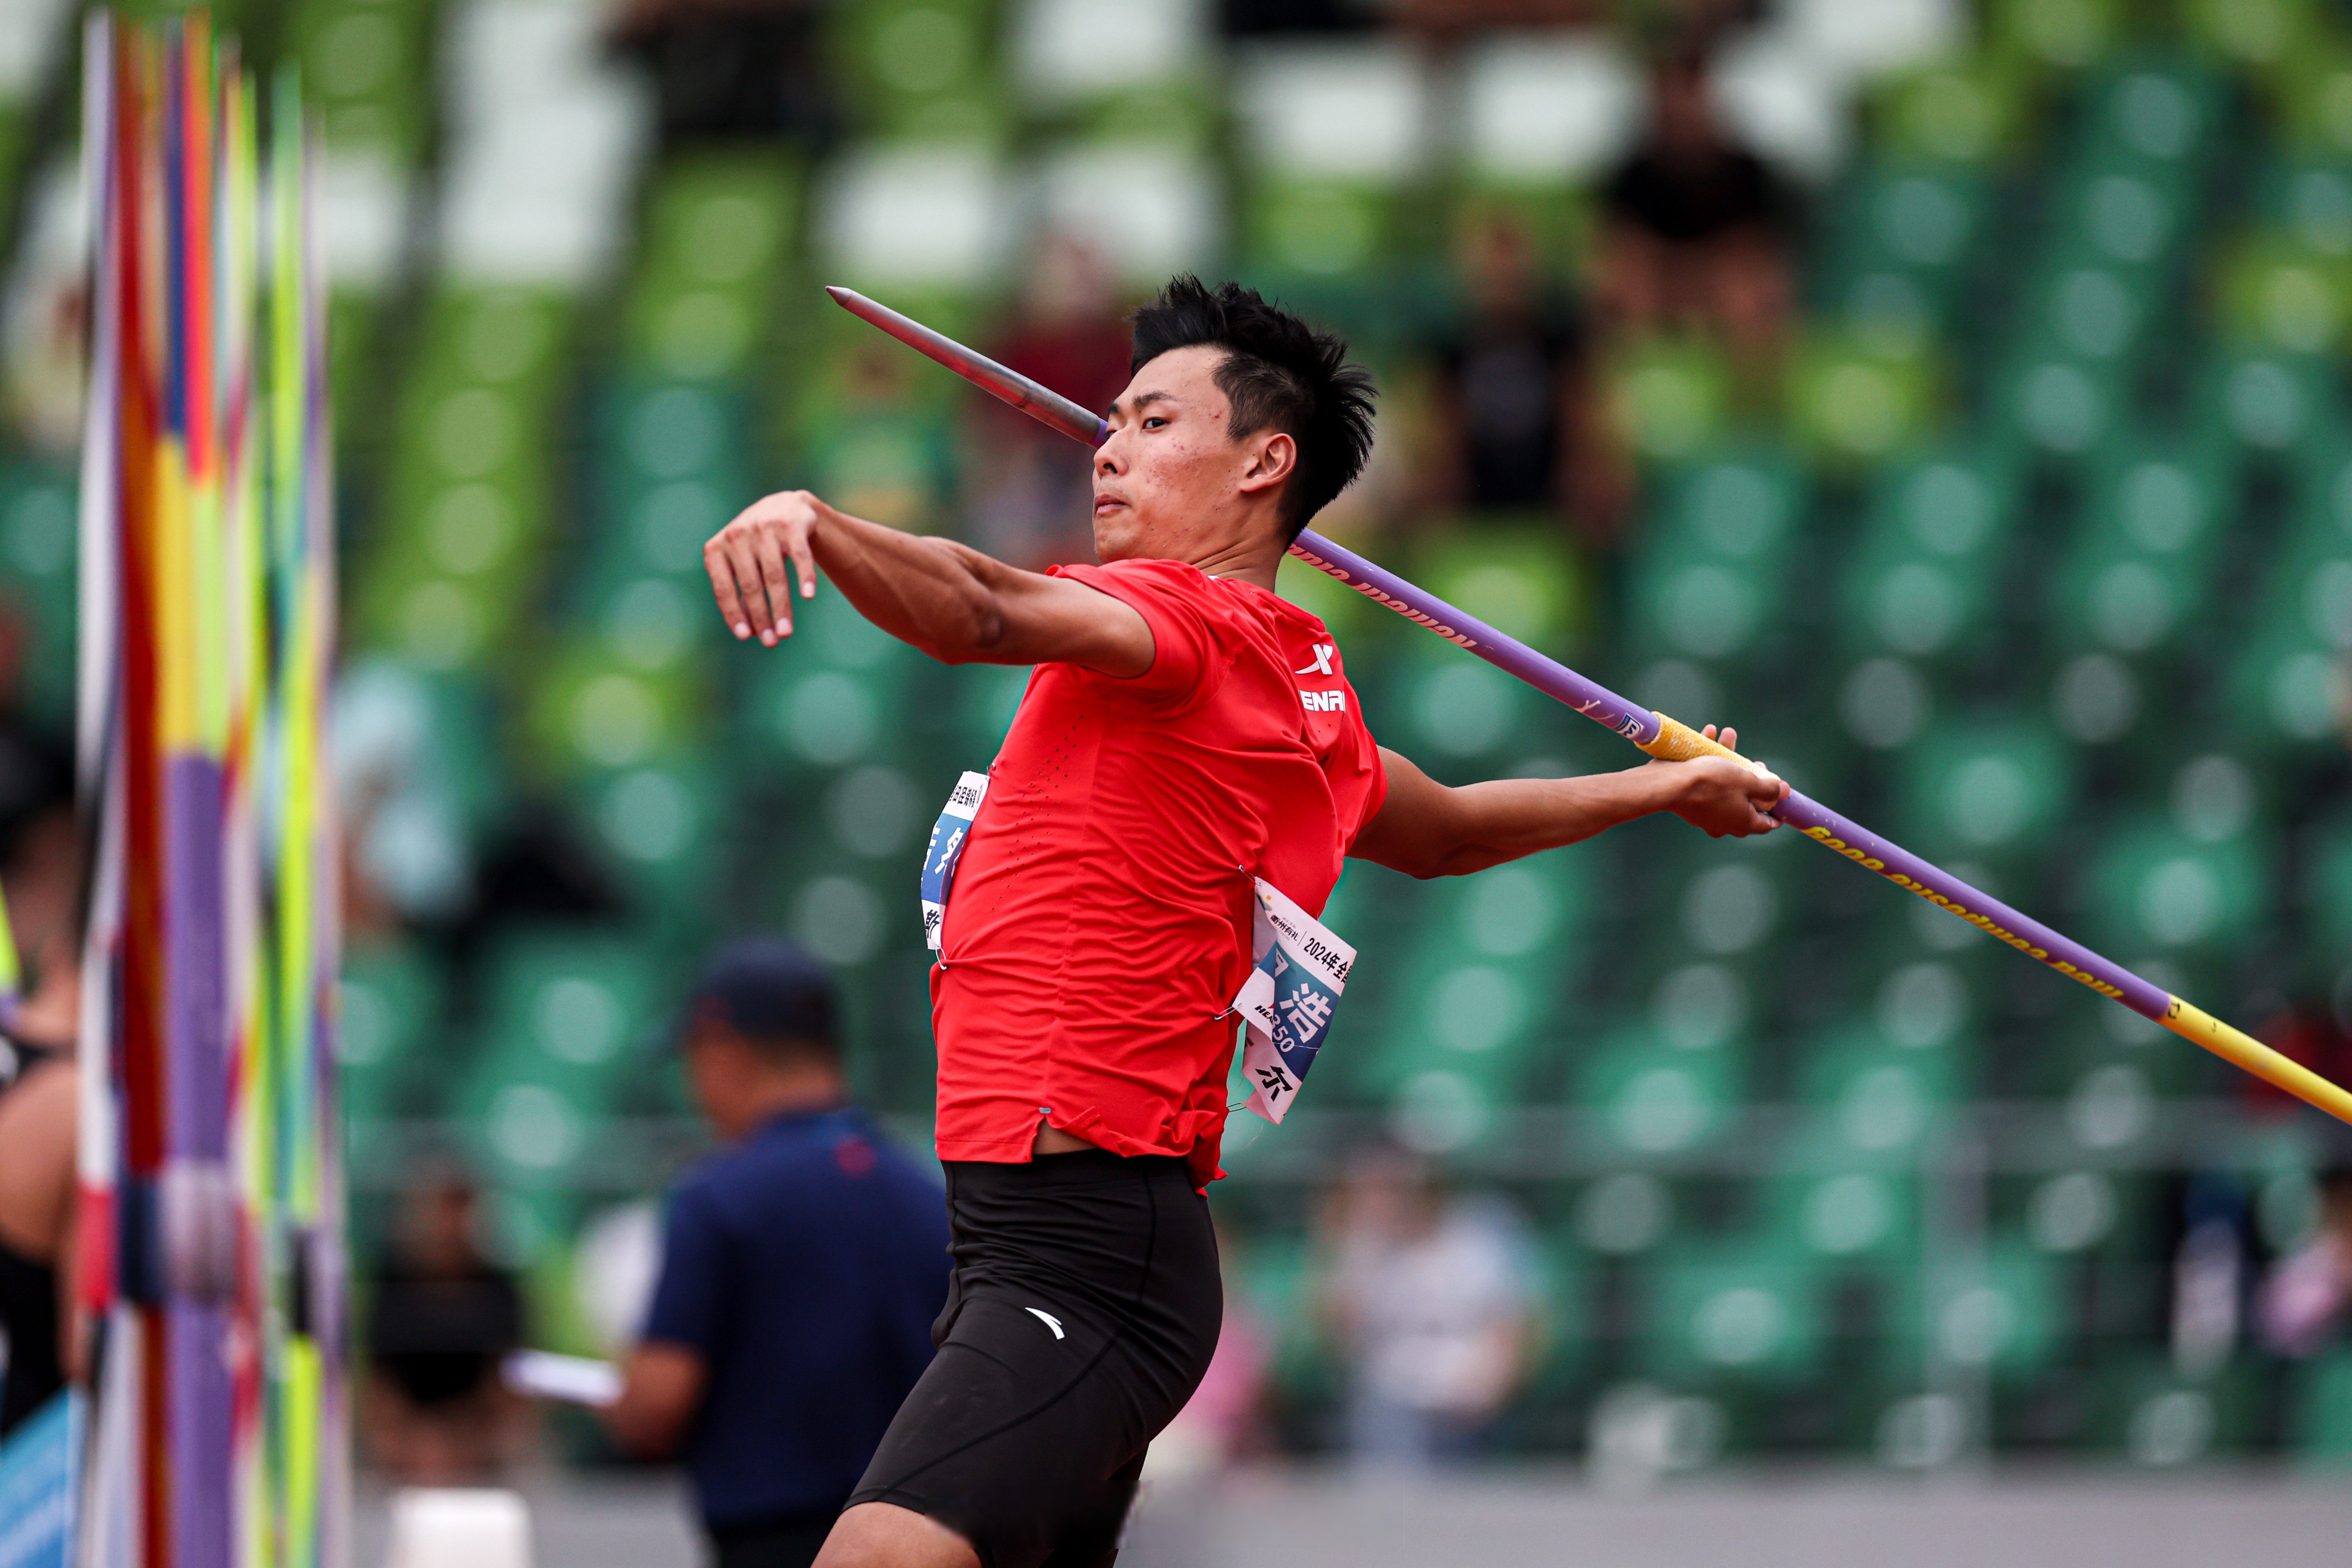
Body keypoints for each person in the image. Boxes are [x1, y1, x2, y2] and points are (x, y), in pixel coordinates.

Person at [700, 275, 1785, 1568]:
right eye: (1109, 419)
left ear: (1264, 462)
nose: (1107, 446)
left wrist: (817, 521)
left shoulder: (1188, 625)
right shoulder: (1294, 681)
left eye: (1153, 422)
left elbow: (983, 608)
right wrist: (1664, 784)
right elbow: (1447, 831)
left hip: (1082, 1248)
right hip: (1041, 1235)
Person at [602, 938, 950, 1568]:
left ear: (725, 1053)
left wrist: (623, 1401)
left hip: (769, 1542)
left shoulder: (717, 1197)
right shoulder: (926, 1193)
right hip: (916, 1541)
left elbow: (656, 1402)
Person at [1317, 1150, 1536, 1467]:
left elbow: (1510, 1331)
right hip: (1392, 1406)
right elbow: (1341, 1335)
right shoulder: (1365, 1249)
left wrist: (1486, 1392)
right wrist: (1344, 1242)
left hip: (1463, 1409)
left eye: (1398, 1188)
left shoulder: (1476, 1241)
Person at [1597, 48, 1793, 365]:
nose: (1682, 113)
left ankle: (1751, 397)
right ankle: (1638, 384)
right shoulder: (1633, 175)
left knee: (1741, 288)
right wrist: (1679, 274)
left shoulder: (1746, 171)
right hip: (1663, 281)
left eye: (1689, 101)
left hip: (1719, 281)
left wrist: (1702, 274)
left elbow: (1757, 248)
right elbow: (1626, 245)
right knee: (1632, 284)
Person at [362, 1171, 530, 1481]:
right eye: (440, 1211)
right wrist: (412, 1444)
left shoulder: (499, 1289)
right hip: (407, 1443)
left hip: (478, 1442)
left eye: (459, 1212)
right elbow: (379, 1385)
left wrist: (462, 1443)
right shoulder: (393, 1285)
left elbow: (509, 1388)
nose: (449, 1226)